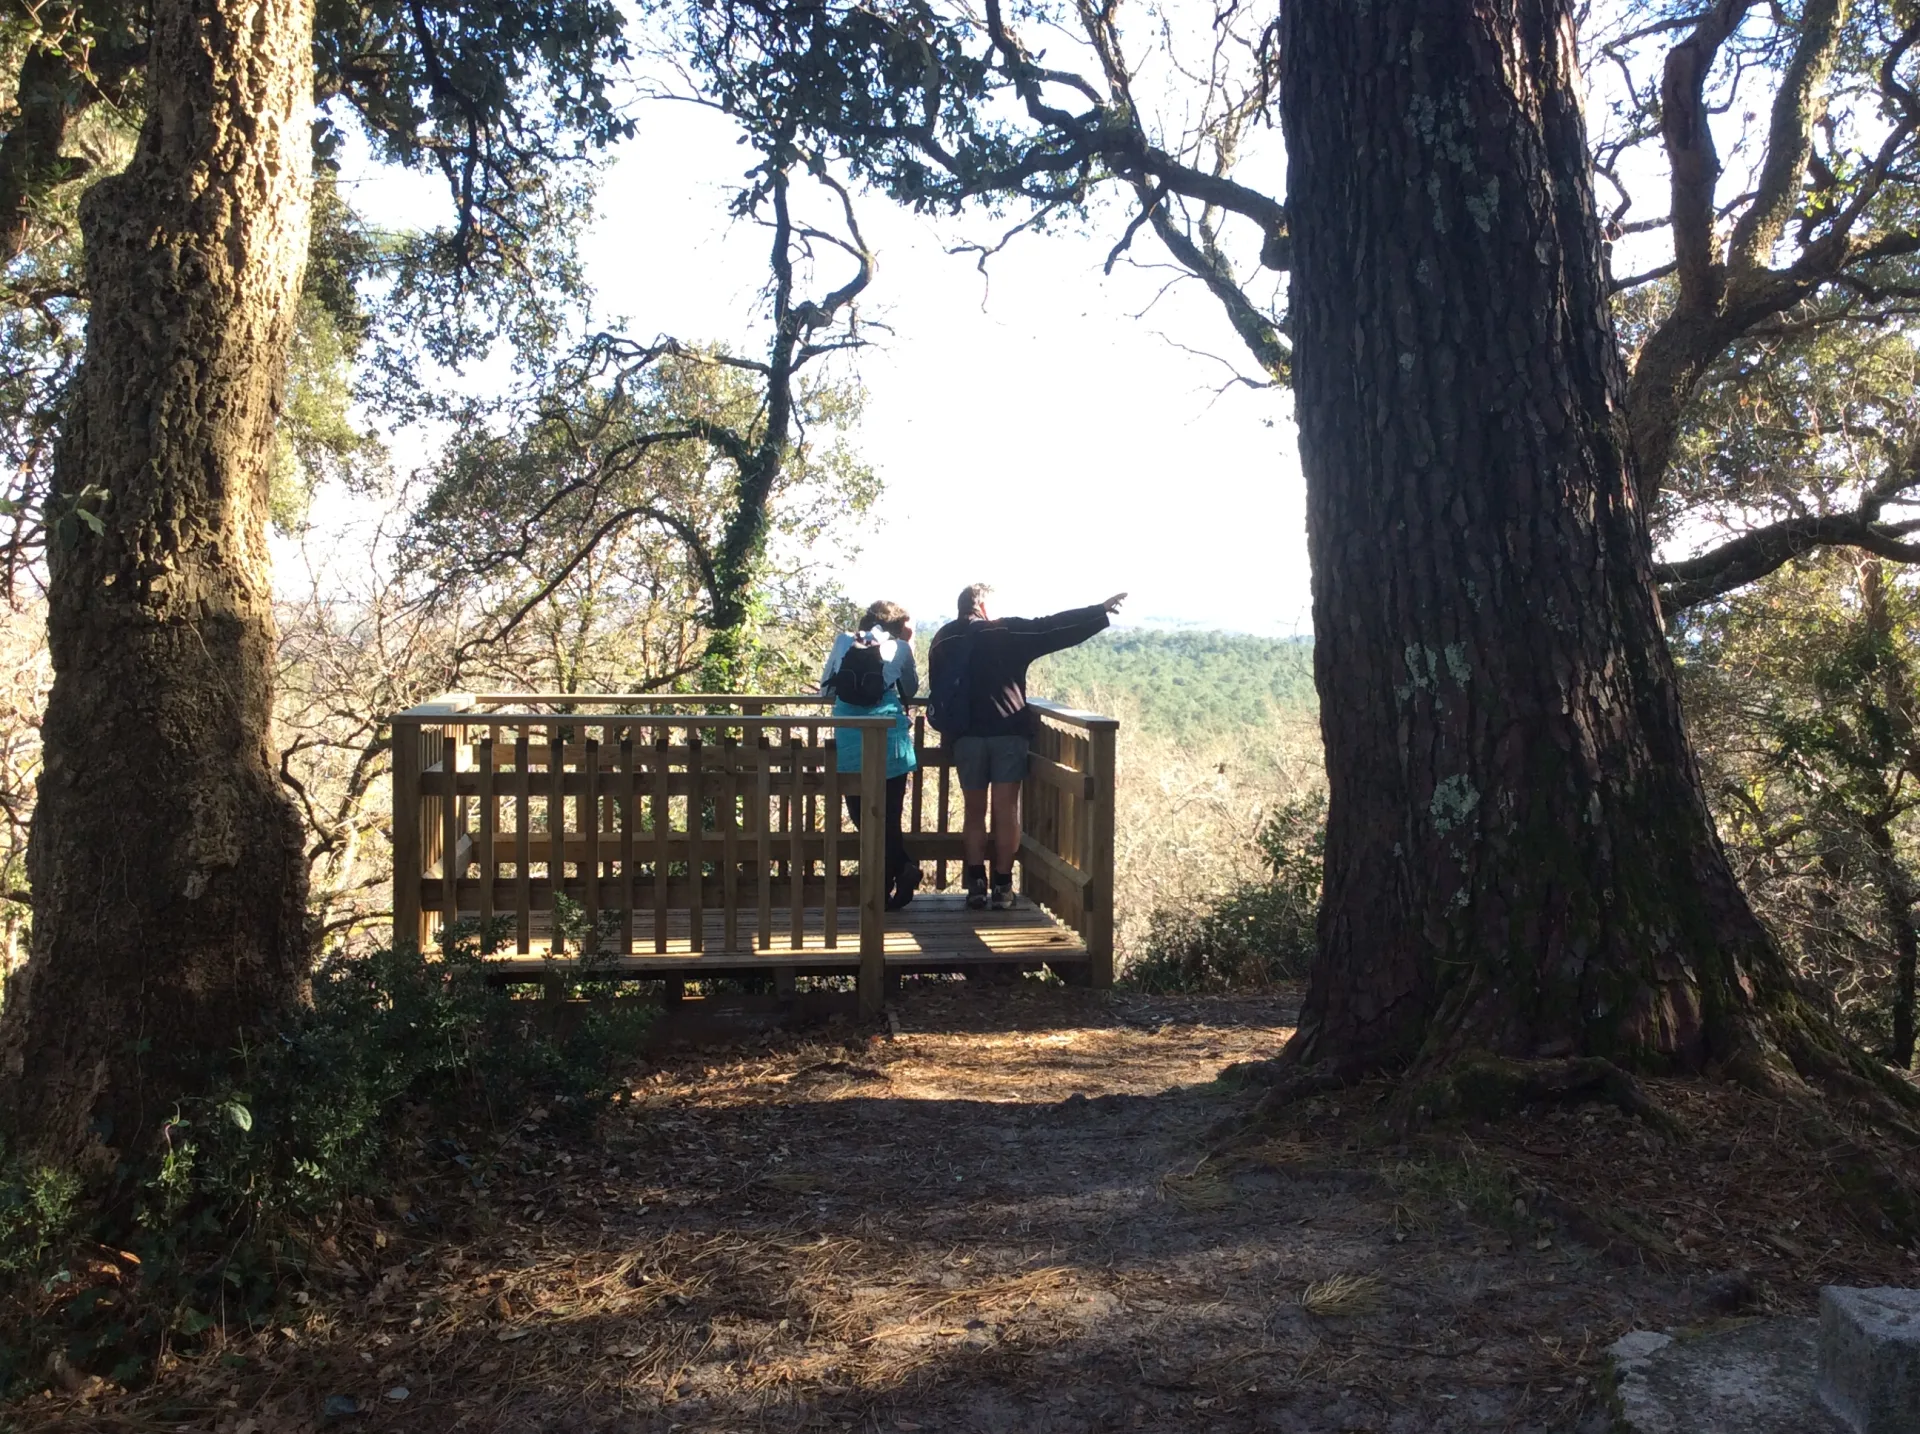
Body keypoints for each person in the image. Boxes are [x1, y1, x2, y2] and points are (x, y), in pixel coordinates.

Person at [928, 584, 1126, 910]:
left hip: (965, 737)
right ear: (984, 606)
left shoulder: (944, 638)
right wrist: (1098, 611)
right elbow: (1053, 628)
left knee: (974, 812)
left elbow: (938, 688)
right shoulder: (1006, 631)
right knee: (1005, 811)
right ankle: (1003, 888)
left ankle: (976, 885)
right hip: (1007, 733)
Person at [820, 600, 921, 910]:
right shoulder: (899, 648)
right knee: (889, 817)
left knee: (863, 817)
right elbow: (911, 690)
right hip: (890, 742)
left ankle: (889, 883)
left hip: (850, 739)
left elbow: (826, 691)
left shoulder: (843, 641)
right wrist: (908, 646)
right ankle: (898, 874)